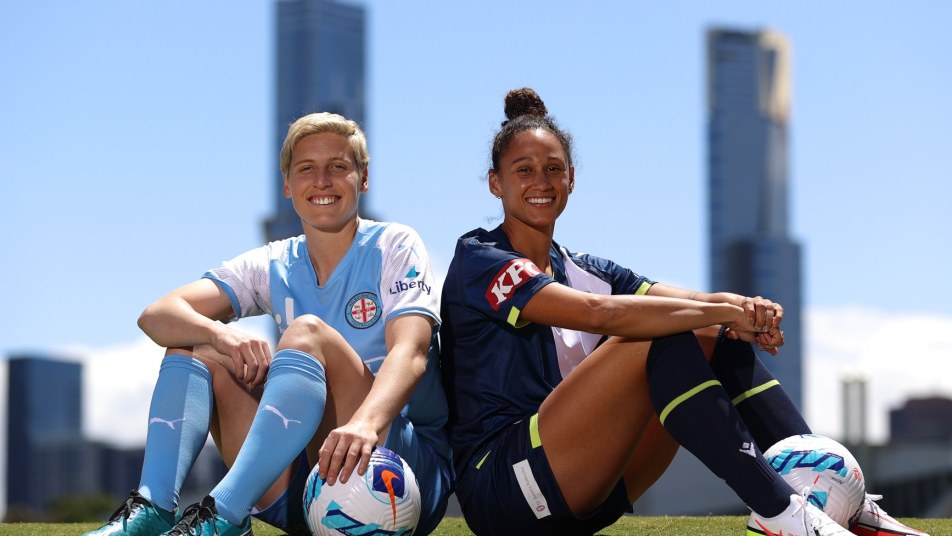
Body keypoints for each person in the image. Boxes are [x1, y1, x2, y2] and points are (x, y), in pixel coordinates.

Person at [439, 87, 928, 536]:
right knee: (658, 332)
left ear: (571, 178)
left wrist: (744, 312)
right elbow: (599, 313)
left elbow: (688, 301)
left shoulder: (584, 267)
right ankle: (780, 511)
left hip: (586, 486)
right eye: (523, 170)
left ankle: (838, 493)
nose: (541, 182)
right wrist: (721, 312)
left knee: (710, 334)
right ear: (495, 183)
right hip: (505, 490)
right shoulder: (481, 259)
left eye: (553, 168)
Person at [84, 112, 452, 536]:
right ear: (287, 185)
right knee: (197, 345)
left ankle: (224, 513)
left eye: (337, 166)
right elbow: (157, 315)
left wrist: (365, 423)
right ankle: (154, 508)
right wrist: (220, 333)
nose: (322, 181)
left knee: (307, 333)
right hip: (309, 480)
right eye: (306, 169)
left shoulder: (394, 245)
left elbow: (411, 352)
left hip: (399, 472)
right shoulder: (275, 261)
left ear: (363, 178)